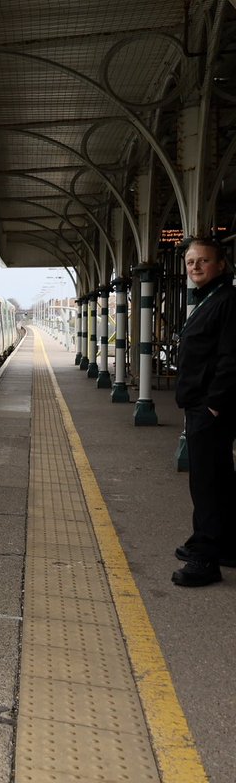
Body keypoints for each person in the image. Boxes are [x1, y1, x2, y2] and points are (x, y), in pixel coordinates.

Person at [173, 236, 236, 586]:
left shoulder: (227, 301)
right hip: (202, 406)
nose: (195, 267)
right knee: (220, 479)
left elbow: (230, 358)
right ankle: (223, 544)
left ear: (221, 264)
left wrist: (213, 404)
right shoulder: (211, 299)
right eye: (190, 262)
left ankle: (205, 561)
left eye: (203, 261)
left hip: (209, 410)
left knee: (207, 484)